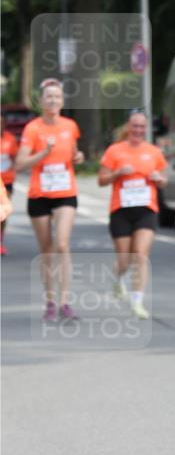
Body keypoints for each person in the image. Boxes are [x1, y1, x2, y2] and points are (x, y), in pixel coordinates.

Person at [15, 79, 84, 321]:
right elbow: (20, 164)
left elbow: (73, 153)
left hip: (65, 191)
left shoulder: (70, 126)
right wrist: (44, 152)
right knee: (46, 250)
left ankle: (65, 301)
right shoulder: (33, 129)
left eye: (57, 97)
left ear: (62, 101)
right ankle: (50, 301)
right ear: (42, 101)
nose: (53, 101)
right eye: (49, 97)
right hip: (39, 194)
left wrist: (78, 157)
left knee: (62, 244)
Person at [98, 110, 167, 319]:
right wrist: (117, 173)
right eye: (134, 126)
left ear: (146, 129)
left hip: (146, 210)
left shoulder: (154, 152)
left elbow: (164, 180)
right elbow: (101, 180)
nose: (138, 130)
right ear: (128, 127)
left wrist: (158, 178)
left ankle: (137, 301)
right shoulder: (114, 151)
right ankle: (118, 278)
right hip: (121, 210)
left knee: (140, 255)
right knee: (125, 259)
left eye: (141, 127)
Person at [0, 117, 18, 255]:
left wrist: (12, 167)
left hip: (6, 180)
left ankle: (1, 240)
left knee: (3, 213)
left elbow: (15, 158)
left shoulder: (10, 139)